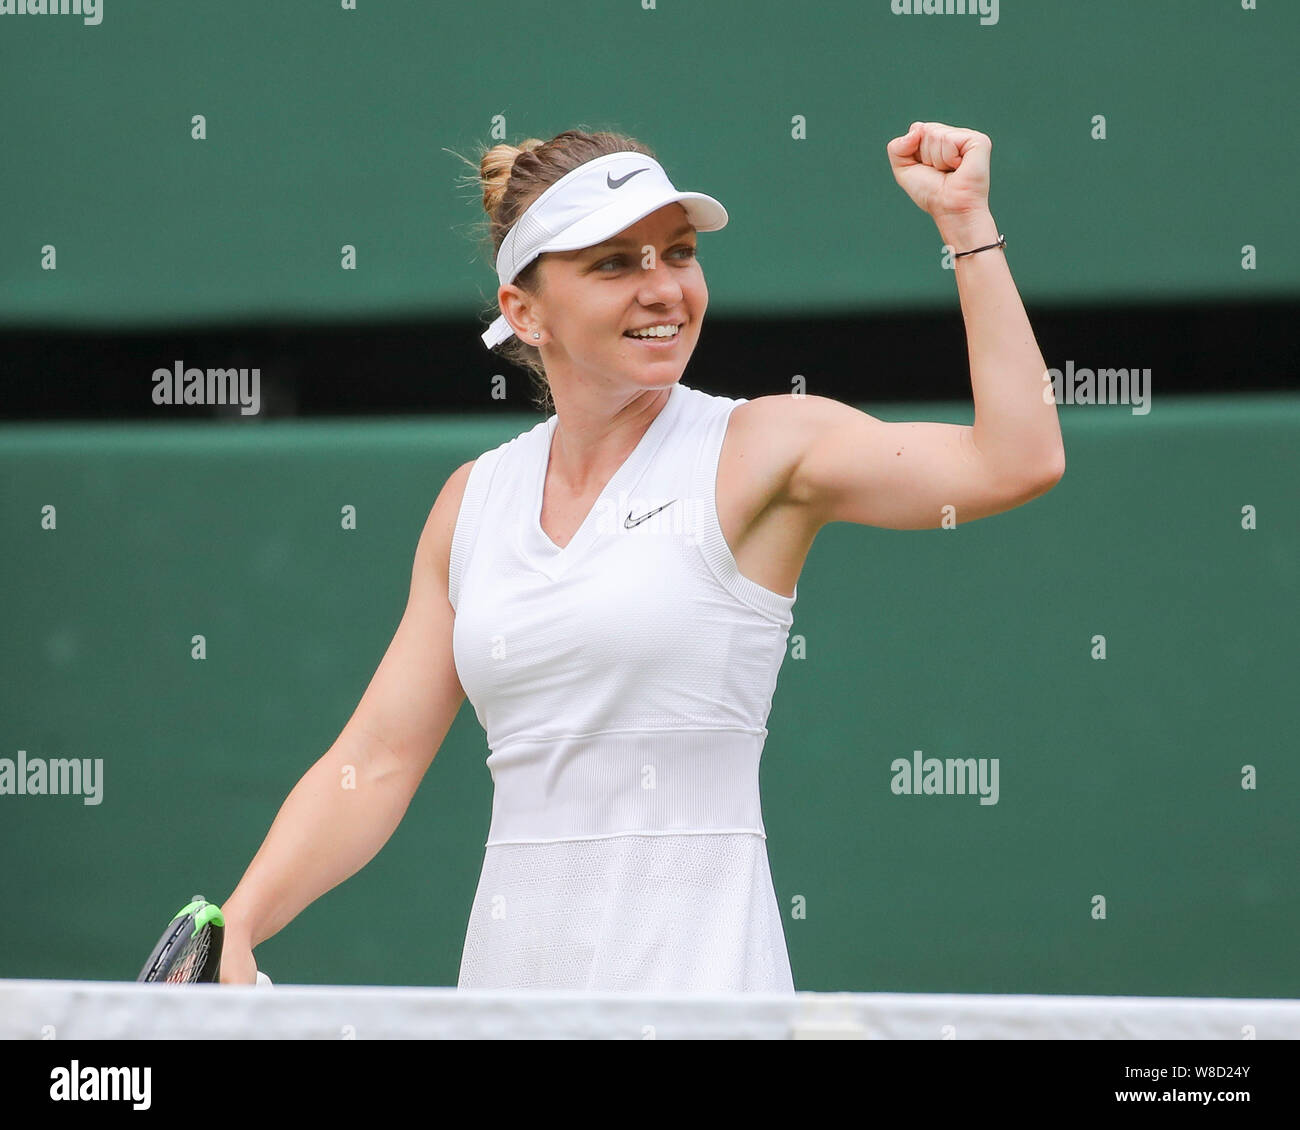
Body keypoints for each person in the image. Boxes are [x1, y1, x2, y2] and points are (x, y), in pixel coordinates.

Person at [219, 125, 1064, 992]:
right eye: (615, 264)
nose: (665, 289)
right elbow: (379, 760)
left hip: (703, 1002)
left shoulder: (768, 447)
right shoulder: (471, 504)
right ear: (524, 311)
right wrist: (236, 926)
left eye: (680, 253)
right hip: (509, 1004)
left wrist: (967, 226)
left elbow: (1017, 461)